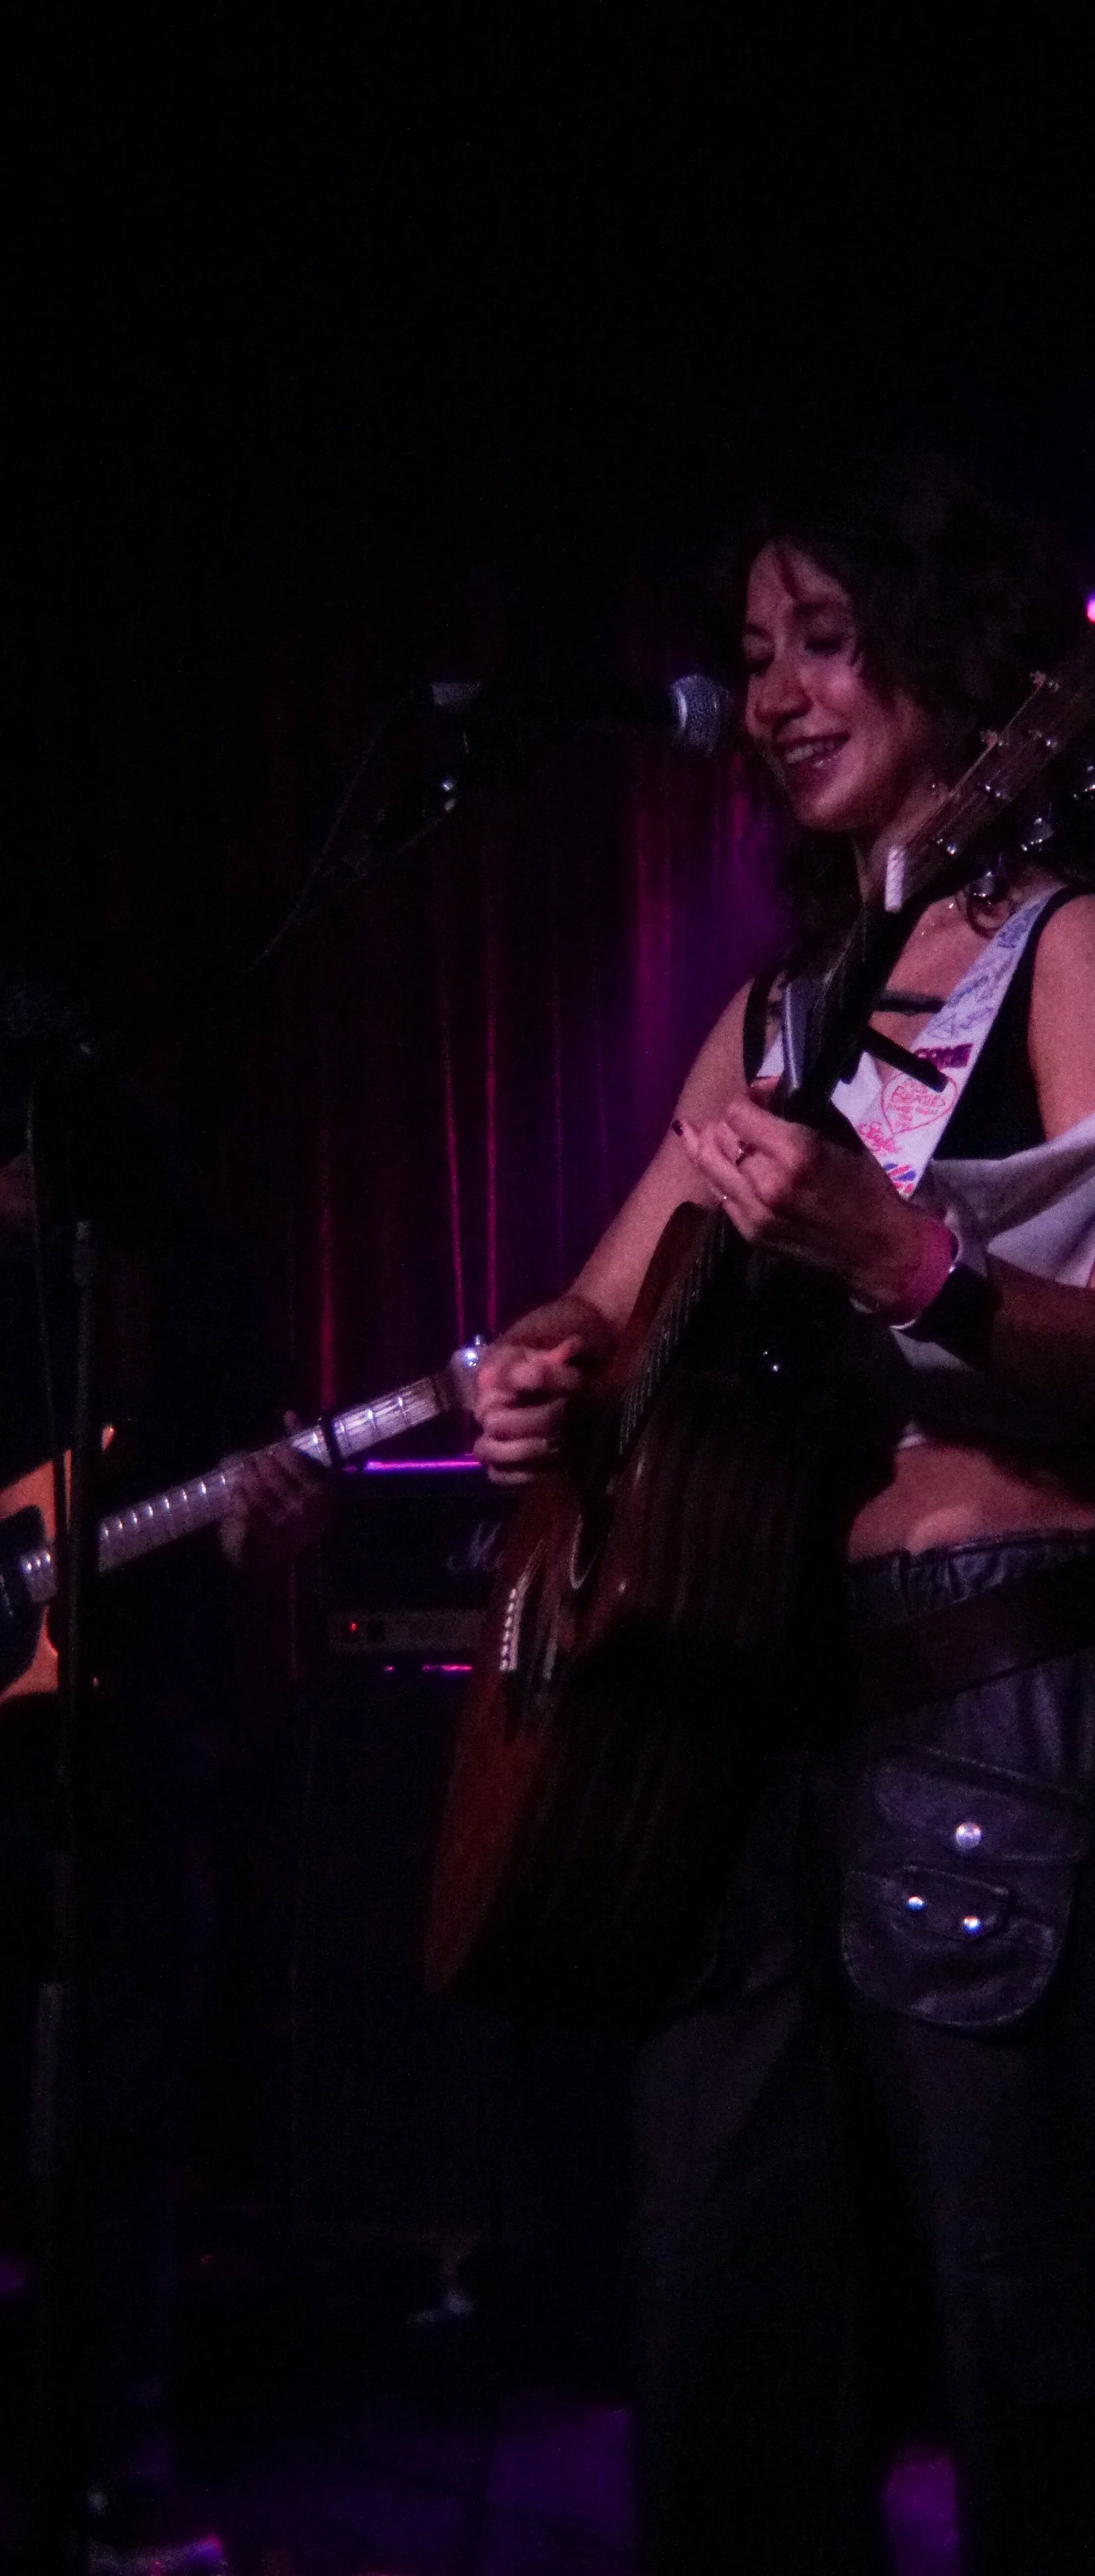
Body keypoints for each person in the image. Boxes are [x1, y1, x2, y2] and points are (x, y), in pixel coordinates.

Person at [472, 460, 1095, 2576]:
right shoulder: (776, 1017)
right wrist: (538, 1364)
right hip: (757, 1746)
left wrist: (909, 1262)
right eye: (754, 656)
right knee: (727, 2373)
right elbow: (597, 1304)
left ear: (948, 651)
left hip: (1005, 1712)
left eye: (825, 636)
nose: (782, 691)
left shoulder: (1077, 949)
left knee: (1061, 2378)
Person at [0, 982, 328, 2571]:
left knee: (121, 2123)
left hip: (134, 1749)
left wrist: (268, 1509)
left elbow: (255, 1470)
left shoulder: (180, 1266)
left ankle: (103, 2471)